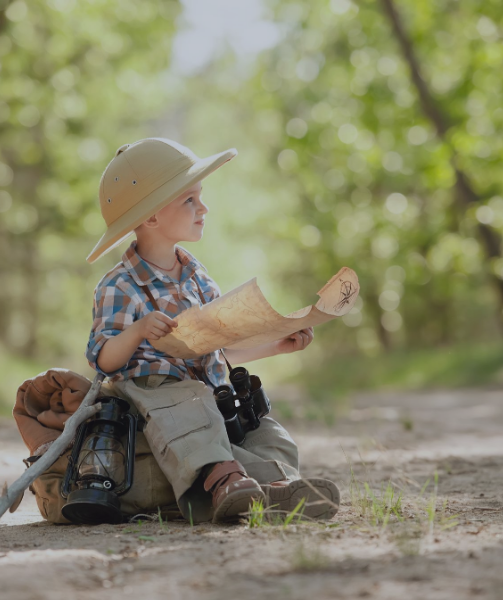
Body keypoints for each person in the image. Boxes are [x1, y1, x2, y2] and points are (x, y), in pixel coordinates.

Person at [77, 137, 339, 524]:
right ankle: (224, 480)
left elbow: (216, 351)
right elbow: (104, 360)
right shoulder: (119, 286)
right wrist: (137, 332)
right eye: (189, 200)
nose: (204, 208)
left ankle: (275, 486)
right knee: (192, 407)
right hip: (159, 399)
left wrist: (275, 346)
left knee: (266, 432)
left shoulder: (197, 278)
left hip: (210, 399)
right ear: (150, 217)